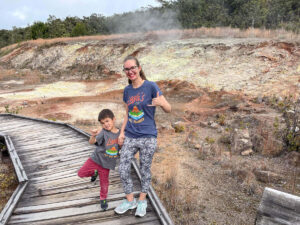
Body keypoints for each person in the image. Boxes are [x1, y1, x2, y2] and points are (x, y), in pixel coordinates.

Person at [114, 55, 171, 217]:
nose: (130, 71)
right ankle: (130, 200)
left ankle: (142, 200)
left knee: (144, 169)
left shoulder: (151, 86)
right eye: (127, 69)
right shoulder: (127, 90)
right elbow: (127, 114)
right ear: (124, 72)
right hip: (130, 135)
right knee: (123, 168)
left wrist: (162, 103)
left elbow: (169, 109)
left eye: (133, 68)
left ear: (139, 68)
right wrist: (122, 132)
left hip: (148, 136)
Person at [78, 109, 120, 211]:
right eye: (102, 123)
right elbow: (92, 142)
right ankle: (94, 172)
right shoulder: (103, 132)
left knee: (104, 183)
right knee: (81, 173)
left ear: (113, 119)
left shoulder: (121, 134)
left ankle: (103, 198)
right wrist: (93, 135)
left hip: (107, 163)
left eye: (107, 121)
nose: (105, 124)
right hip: (96, 159)